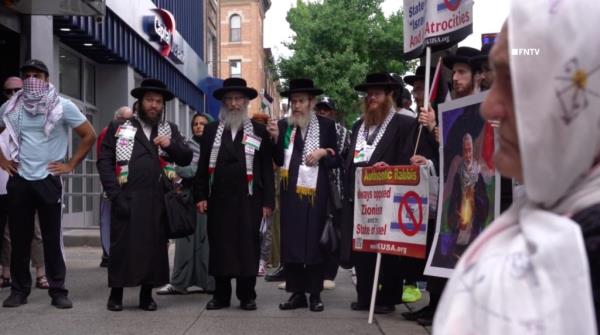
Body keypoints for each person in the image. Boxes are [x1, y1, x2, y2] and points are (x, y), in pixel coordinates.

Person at [434, 2, 600, 332]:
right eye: (494, 80)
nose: (490, 108)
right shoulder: (552, 212)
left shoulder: (588, 256)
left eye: (515, 81)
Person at [0, 59, 96, 309]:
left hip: (48, 179)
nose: (32, 79)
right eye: (27, 75)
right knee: (20, 239)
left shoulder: (62, 106)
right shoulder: (11, 107)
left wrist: (71, 164)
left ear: (47, 79)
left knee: (52, 239)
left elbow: (89, 135)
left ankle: (58, 290)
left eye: (37, 75)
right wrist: (3, 161)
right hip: (20, 179)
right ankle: (19, 290)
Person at [341, 73, 435, 314]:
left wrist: (389, 170)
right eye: (369, 94)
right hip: (361, 199)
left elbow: (412, 159)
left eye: (377, 94)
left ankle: (386, 297)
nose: (372, 98)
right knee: (362, 249)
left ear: (389, 95)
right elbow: (352, 159)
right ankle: (365, 295)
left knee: (387, 251)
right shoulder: (358, 125)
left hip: (388, 198)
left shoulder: (404, 124)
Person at [97, 78, 192, 312]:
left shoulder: (169, 129)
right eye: (149, 100)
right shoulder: (120, 126)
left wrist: (170, 146)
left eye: (158, 101)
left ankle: (146, 295)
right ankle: (116, 294)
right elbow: (105, 161)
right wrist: (114, 194)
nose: (154, 105)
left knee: (153, 248)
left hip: (156, 200)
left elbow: (185, 158)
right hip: (126, 197)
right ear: (139, 102)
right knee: (121, 248)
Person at [195, 77, 275, 311]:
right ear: (223, 103)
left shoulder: (259, 130)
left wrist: (268, 201)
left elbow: (267, 171)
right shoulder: (210, 131)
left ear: (246, 102)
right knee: (220, 247)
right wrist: (200, 195)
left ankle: (247, 295)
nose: (233, 103)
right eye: (229, 99)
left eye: (238, 99)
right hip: (218, 199)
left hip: (250, 200)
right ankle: (220, 296)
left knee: (247, 247)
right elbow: (202, 167)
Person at [268, 78, 337, 312]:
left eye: (301, 101)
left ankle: (315, 294)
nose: (296, 105)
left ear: (311, 102)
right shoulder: (284, 125)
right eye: (293, 101)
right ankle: (296, 293)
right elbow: (278, 160)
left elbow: (337, 159)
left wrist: (322, 153)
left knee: (314, 243)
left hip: (316, 195)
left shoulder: (326, 126)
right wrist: (275, 139)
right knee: (292, 243)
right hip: (289, 195)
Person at [157, 113, 214, 295]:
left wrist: (196, 171)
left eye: (203, 124)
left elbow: (213, 170)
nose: (198, 127)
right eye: (195, 124)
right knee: (184, 240)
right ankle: (179, 283)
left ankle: (209, 283)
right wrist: (200, 170)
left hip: (207, 197)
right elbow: (180, 168)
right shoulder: (185, 146)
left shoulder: (215, 146)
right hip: (186, 199)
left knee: (207, 240)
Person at [314, 97, 350, 290]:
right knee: (316, 230)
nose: (322, 112)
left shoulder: (345, 133)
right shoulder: (310, 131)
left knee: (334, 232)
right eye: (319, 109)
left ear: (333, 112)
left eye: (326, 109)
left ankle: (330, 273)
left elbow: (347, 161)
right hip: (314, 189)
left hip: (337, 191)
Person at [96, 106, 133, 268]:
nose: (128, 123)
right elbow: (104, 158)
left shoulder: (129, 133)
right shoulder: (108, 132)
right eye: (125, 119)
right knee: (107, 219)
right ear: (117, 118)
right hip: (112, 184)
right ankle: (107, 254)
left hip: (125, 183)